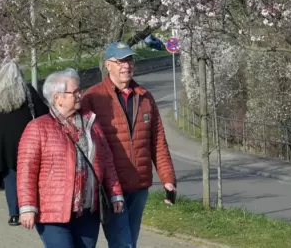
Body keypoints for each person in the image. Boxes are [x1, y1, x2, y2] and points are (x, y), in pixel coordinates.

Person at [81, 42, 177, 248]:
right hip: (110, 187)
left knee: (130, 240)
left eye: (130, 60)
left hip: (138, 184)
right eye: (120, 61)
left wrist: (168, 178)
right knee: (123, 243)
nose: (127, 66)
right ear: (108, 64)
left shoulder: (145, 97)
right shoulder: (93, 98)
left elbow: (158, 141)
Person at [17, 69, 124, 248]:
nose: (80, 95)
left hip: (88, 210)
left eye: (79, 90)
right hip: (53, 212)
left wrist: (115, 194)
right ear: (57, 97)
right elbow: (26, 171)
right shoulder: (37, 128)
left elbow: (106, 161)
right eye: (74, 92)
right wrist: (27, 207)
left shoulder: (91, 123)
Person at [0, 60, 49, 226]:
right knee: (30, 174)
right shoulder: (28, 92)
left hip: (3, 144)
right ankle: (29, 208)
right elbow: (44, 113)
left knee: (11, 177)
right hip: (25, 139)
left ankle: (14, 213)